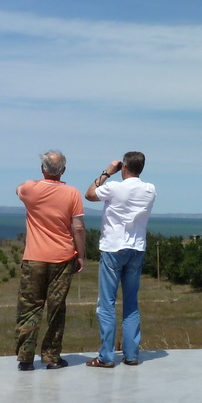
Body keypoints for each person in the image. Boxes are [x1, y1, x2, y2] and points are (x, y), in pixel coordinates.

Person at [14, 150, 85, 371]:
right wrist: (81, 255)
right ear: (63, 170)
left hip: (34, 257)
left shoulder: (29, 189)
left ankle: (26, 358)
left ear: (42, 169)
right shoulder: (73, 193)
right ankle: (52, 356)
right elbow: (79, 227)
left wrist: (38, 181)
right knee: (56, 308)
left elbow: (18, 190)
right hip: (62, 257)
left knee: (29, 308)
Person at [85, 151, 156, 368]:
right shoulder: (150, 189)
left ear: (124, 167)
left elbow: (89, 194)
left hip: (113, 248)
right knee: (131, 304)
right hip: (136, 249)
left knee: (106, 304)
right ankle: (131, 354)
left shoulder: (114, 187)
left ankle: (106, 356)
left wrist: (107, 172)